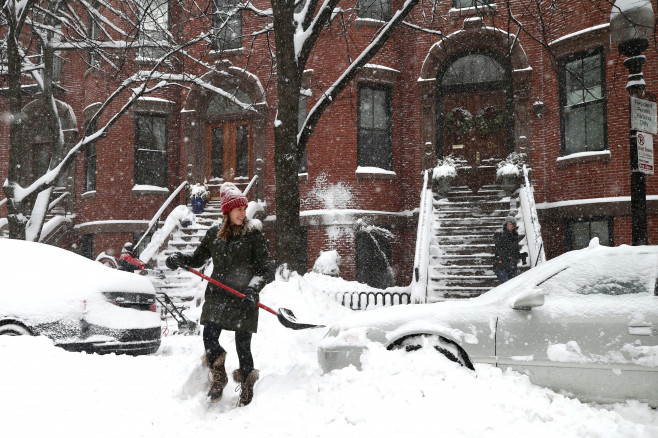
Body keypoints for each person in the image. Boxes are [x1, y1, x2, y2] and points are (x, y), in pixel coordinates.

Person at [165, 182, 270, 406]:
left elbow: (264, 270)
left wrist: (252, 289)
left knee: (243, 345)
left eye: (244, 209)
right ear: (227, 211)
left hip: (244, 297)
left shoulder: (253, 235)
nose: (243, 213)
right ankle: (219, 375)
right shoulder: (214, 234)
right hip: (219, 296)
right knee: (209, 336)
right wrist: (179, 259)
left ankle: (247, 386)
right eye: (238, 209)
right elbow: (197, 259)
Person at [492, 217, 527, 284]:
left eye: (513, 224)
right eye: (510, 224)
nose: (512, 226)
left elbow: (514, 253)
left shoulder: (514, 237)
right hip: (501, 266)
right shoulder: (499, 234)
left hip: (512, 267)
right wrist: (507, 234)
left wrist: (521, 255)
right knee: (507, 287)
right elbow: (499, 246)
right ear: (506, 225)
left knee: (516, 286)